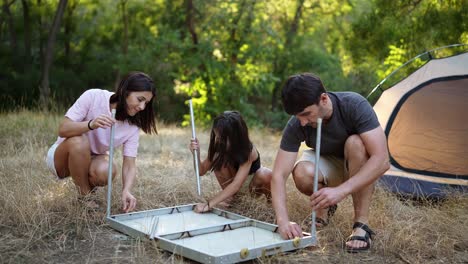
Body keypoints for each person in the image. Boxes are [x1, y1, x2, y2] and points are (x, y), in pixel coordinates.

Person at [271, 73, 389, 253]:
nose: (302, 122)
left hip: (358, 161)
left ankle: (361, 225)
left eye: (306, 114)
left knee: (355, 143)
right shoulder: (298, 123)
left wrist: (341, 191)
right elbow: (278, 175)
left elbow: (382, 160)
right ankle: (325, 208)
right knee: (302, 172)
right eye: (297, 116)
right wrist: (283, 221)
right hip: (329, 161)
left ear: (324, 99)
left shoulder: (354, 105)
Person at [46, 71, 157, 212]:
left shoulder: (133, 126)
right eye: (139, 99)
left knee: (107, 170)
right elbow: (63, 129)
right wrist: (91, 124)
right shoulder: (94, 96)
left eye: (146, 103)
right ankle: (85, 197)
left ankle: (84, 191)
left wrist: (126, 190)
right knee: (79, 142)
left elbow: (130, 164)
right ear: (125, 91)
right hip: (62, 157)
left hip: (93, 160)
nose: (142, 107)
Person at [189, 111, 272, 213]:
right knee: (218, 158)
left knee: (267, 174)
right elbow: (201, 171)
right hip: (233, 188)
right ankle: (232, 200)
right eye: (218, 137)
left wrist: (209, 204)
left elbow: (237, 184)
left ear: (237, 136)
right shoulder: (218, 145)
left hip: (251, 185)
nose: (219, 141)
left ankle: (271, 208)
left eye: (223, 138)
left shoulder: (249, 151)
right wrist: (195, 154)